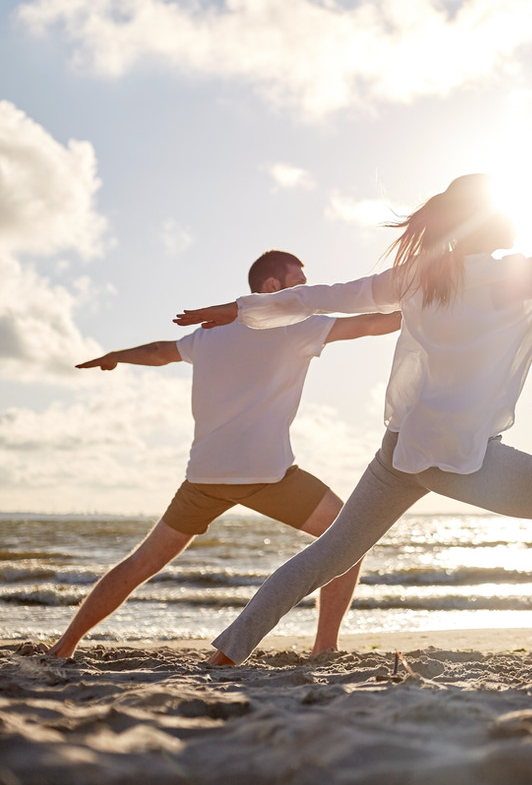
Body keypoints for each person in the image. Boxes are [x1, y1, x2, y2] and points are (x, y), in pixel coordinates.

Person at [177, 174, 532, 674]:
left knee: (330, 553)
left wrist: (240, 310)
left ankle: (228, 653)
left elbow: (325, 297)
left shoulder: (422, 276)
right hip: (458, 454)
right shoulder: (520, 275)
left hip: (402, 446)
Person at [50, 251, 400, 658]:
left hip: (205, 478)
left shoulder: (210, 334)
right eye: (298, 282)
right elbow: (376, 323)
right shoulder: (296, 328)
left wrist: (116, 356)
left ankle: (64, 646)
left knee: (141, 563)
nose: (305, 292)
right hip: (268, 477)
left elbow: (161, 351)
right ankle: (324, 647)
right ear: (271, 287)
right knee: (348, 540)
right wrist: (437, 303)